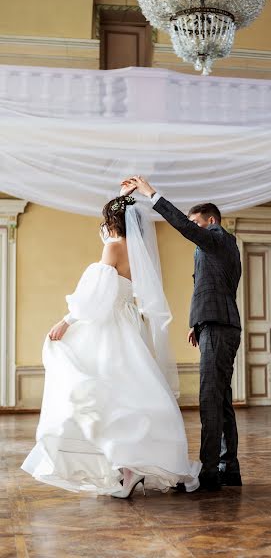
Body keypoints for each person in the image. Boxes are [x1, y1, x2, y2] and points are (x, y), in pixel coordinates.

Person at [21, 194, 200, 497]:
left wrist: (66, 321)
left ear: (110, 222)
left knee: (101, 394)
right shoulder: (138, 251)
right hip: (129, 327)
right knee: (130, 396)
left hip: (109, 329)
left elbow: (95, 296)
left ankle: (125, 468)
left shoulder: (113, 247)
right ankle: (129, 470)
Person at [121, 176, 242, 492]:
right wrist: (196, 322)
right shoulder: (216, 247)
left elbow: (186, 230)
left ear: (210, 221)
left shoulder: (219, 238)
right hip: (214, 324)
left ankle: (210, 474)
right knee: (221, 399)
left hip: (219, 326)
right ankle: (229, 468)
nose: (194, 228)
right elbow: (209, 285)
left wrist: (151, 194)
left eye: (196, 223)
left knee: (209, 400)